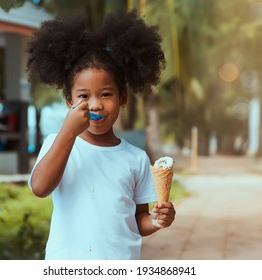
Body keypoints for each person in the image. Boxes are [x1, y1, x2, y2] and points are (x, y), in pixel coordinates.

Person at [27, 9, 176, 260]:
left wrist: (158, 220)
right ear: (69, 102)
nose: (95, 105)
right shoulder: (58, 143)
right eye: (84, 96)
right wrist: (68, 133)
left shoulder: (136, 158)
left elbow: (138, 220)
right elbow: (40, 188)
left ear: (123, 98)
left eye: (106, 94)